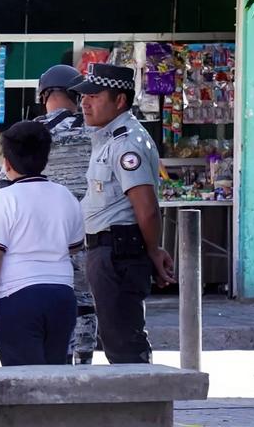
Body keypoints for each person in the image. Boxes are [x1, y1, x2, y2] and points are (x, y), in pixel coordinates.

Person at [69, 63, 176, 364]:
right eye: (83, 96)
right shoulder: (107, 138)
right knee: (116, 340)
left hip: (118, 252)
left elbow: (147, 208)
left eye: (94, 95)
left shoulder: (127, 142)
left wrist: (153, 250)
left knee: (124, 344)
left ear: (119, 101)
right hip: (106, 251)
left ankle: (145, 408)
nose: (85, 102)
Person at [0, 121, 83, 366]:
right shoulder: (65, 195)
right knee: (55, 373)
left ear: (8, 163)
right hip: (62, 294)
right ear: (45, 159)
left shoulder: (3, 198)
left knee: (24, 379)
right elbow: (75, 245)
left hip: (17, 297)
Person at [13, 64, 98, 365]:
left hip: (42, 235)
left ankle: (59, 363)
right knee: (86, 302)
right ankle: (84, 362)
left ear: (43, 94)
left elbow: (8, 185)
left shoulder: (30, 134)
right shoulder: (96, 130)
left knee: (53, 298)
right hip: (89, 231)